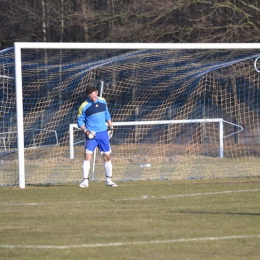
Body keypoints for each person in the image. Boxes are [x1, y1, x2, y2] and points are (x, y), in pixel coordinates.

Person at [76, 85, 117, 188]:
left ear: (96, 92)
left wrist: (111, 127)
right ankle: (85, 181)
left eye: (93, 96)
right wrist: (86, 131)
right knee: (87, 156)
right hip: (92, 135)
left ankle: (109, 180)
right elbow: (79, 121)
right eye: (90, 97)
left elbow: (107, 115)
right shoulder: (84, 105)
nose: (92, 98)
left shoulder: (103, 101)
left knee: (107, 156)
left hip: (103, 134)